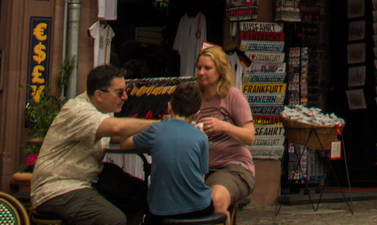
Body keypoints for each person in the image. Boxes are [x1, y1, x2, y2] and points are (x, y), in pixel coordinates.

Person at [30, 67, 146, 225]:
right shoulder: (79, 111)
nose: (125, 97)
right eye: (119, 92)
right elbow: (115, 128)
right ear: (99, 95)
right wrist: (164, 125)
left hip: (88, 178)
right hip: (58, 187)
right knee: (113, 220)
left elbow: (113, 135)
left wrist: (153, 137)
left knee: (141, 194)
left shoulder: (104, 110)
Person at [119, 81, 216, 225]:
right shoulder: (201, 137)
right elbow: (201, 177)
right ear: (197, 115)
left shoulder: (155, 130)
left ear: (169, 107)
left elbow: (124, 145)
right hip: (199, 207)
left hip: (161, 209)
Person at [190, 46, 255, 216]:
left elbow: (249, 137)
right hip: (199, 169)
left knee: (215, 202)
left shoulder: (232, 96)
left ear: (220, 70)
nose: (201, 72)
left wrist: (222, 126)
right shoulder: (194, 98)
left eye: (207, 68)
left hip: (233, 166)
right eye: (199, 68)